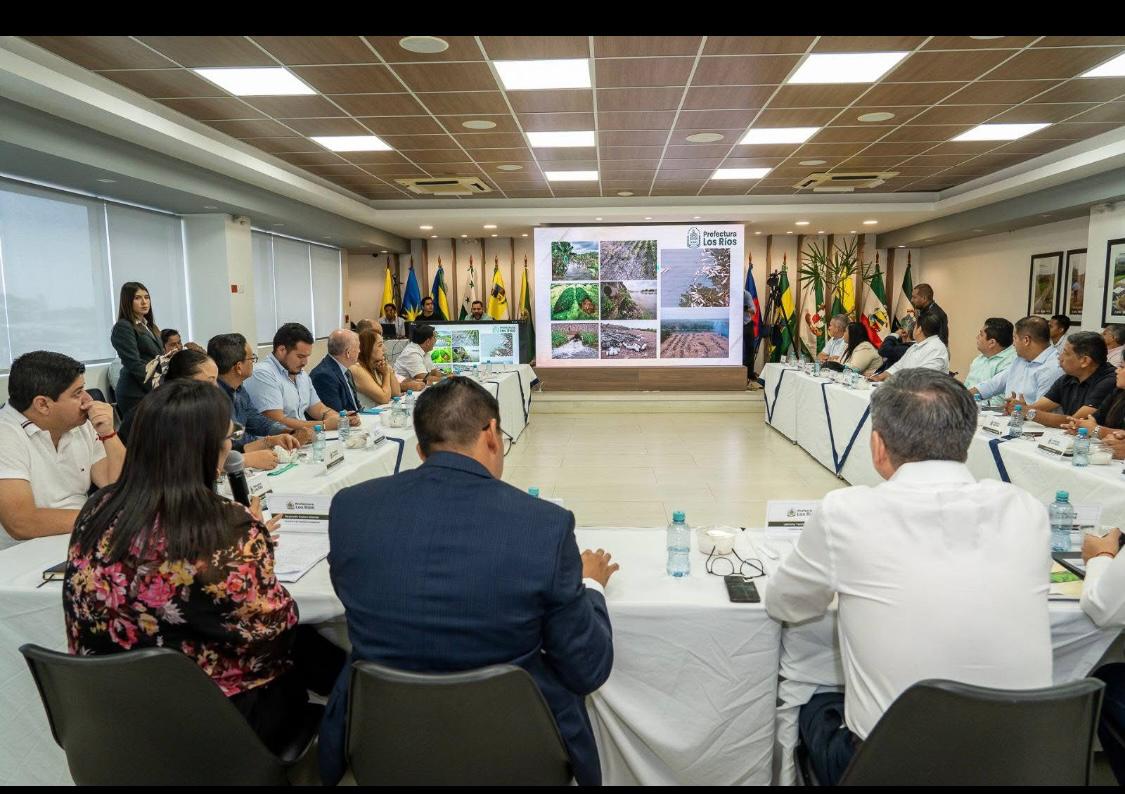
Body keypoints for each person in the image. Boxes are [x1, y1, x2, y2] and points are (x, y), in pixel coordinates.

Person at [319, 377, 618, 786]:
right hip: (518, 750)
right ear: (492, 434)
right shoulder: (544, 525)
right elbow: (587, 668)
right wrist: (591, 586)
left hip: (383, 743)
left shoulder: (352, 508)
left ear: (420, 450)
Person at [764, 368, 1052, 786]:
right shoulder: (1026, 509)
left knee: (813, 697)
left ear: (877, 446)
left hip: (890, 770)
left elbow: (785, 604)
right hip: (1020, 766)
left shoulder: (847, 512)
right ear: (966, 439)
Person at [63, 380, 345, 756]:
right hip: (219, 722)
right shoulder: (224, 526)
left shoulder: (97, 509)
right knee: (325, 651)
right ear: (210, 450)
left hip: (112, 716)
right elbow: (274, 628)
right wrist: (255, 541)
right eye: (229, 438)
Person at [0, 351, 125, 551]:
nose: (88, 400)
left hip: (81, 535)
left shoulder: (79, 423)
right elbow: (21, 522)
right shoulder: (5, 434)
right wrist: (104, 517)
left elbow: (120, 486)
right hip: (23, 552)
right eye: (77, 393)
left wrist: (109, 433)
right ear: (43, 404)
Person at [208, 333, 308, 468]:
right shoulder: (213, 397)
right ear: (238, 367)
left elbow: (256, 421)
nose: (253, 363)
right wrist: (269, 442)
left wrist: (288, 432)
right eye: (251, 359)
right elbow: (235, 438)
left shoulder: (239, 389)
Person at [244, 323, 360, 434]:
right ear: (281, 350)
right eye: (300, 356)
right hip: (279, 443)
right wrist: (324, 425)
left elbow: (318, 409)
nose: (305, 362)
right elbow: (277, 422)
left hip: (304, 439)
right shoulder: (262, 373)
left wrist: (340, 418)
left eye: (307, 356)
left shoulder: (301, 374)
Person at [1006, 331, 1115, 428]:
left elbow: (1074, 422)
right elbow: (1038, 407)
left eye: (1066, 353)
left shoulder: (1109, 381)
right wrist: (1019, 407)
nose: (1060, 357)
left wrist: (1028, 412)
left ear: (1085, 361)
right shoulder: (1068, 378)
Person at [117, 349, 218, 444]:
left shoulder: (195, 408)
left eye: (216, 380)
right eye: (210, 381)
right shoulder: (159, 418)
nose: (216, 387)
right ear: (184, 382)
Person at [968, 316, 1062, 405]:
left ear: (1026, 340)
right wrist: (963, 396)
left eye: (1015, 338)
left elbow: (1040, 411)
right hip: (1011, 414)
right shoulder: (1021, 360)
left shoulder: (1052, 367)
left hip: (1027, 417)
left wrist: (1022, 409)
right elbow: (992, 385)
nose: (1013, 344)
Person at [110, 281, 164, 419]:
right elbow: (134, 363)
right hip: (135, 392)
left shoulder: (150, 326)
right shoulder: (123, 327)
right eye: (137, 298)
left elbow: (157, 357)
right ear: (127, 302)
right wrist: (159, 387)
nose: (144, 302)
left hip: (151, 388)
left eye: (146, 297)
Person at [868, 312, 948, 381]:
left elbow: (923, 378)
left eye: (915, 326)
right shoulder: (916, 346)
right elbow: (898, 366)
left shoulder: (937, 349)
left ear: (919, 329)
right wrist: (880, 377)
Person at [964, 318, 1017, 408]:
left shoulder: (1011, 362)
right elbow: (967, 386)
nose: (977, 337)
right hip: (969, 405)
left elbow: (999, 402)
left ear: (992, 343)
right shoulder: (980, 358)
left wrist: (965, 402)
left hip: (987, 411)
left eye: (981, 335)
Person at [309, 329, 362, 414]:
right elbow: (336, 413)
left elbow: (355, 406)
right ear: (348, 353)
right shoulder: (324, 376)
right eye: (358, 348)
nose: (359, 351)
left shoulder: (346, 370)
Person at [351, 328, 402, 408]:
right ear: (368, 348)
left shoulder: (378, 366)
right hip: (366, 415)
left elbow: (396, 394)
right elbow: (384, 399)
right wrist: (386, 374)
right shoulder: (357, 369)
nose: (385, 349)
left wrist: (388, 370)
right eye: (380, 345)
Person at [394, 324, 444, 390]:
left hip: (416, 388)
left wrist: (449, 376)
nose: (436, 340)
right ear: (428, 342)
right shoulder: (411, 353)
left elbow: (434, 372)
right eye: (434, 337)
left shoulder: (424, 350)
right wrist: (446, 379)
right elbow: (424, 378)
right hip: (403, 391)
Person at [910, 282, 949, 347]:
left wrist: (917, 319)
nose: (912, 300)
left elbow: (917, 338)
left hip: (933, 351)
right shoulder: (926, 310)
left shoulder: (932, 316)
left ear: (924, 298)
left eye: (914, 297)